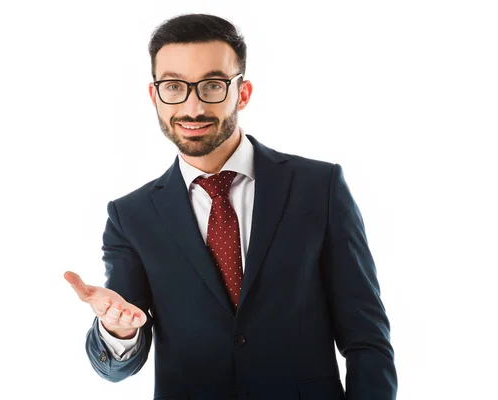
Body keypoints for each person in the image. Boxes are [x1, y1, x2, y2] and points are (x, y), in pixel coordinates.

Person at [64, 13, 397, 400]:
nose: (192, 108)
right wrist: (118, 330)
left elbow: (367, 340)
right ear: (155, 96)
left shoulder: (318, 187)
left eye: (212, 85)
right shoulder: (131, 216)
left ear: (243, 92)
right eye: (174, 86)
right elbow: (118, 365)